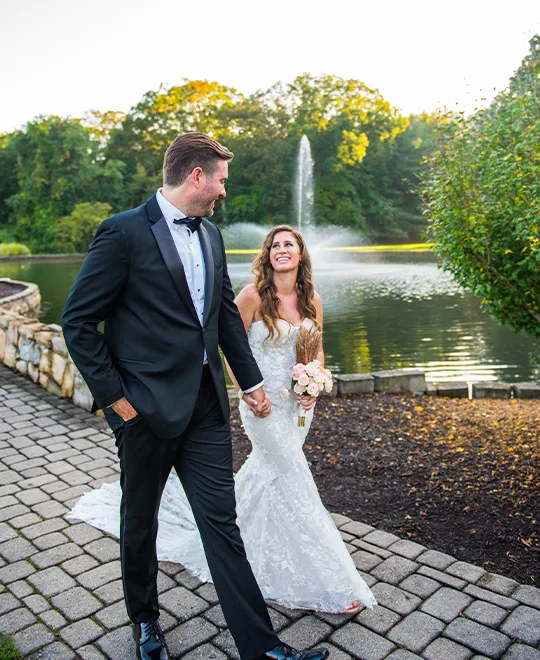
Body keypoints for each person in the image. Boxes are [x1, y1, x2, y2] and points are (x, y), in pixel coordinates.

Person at [62, 133, 329, 660]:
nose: (224, 192)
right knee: (139, 522)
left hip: (205, 408)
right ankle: (145, 624)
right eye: (222, 181)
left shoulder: (210, 235)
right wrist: (117, 401)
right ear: (197, 177)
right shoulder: (122, 233)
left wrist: (252, 385)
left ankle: (262, 647)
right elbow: (77, 321)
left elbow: (224, 318)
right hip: (143, 412)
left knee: (221, 524)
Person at [69, 221, 377, 618]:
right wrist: (249, 391)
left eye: (290, 244)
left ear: (301, 254)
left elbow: (314, 350)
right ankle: (330, 580)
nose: (282, 249)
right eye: (275, 245)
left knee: (274, 475)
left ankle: (243, 539)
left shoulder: (311, 300)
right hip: (261, 404)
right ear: (267, 255)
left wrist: (313, 382)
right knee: (293, 473)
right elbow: (229, 345)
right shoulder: (252, 297)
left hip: (298, 405)